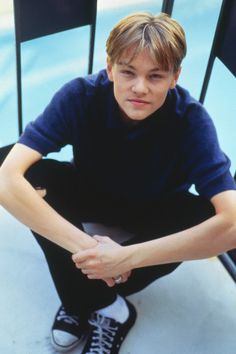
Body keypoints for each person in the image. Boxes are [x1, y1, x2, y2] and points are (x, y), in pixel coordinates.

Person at [0, 11, 236, 354]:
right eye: (128, 72)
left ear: (175, 77)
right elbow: (7, 177)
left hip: (153, 211)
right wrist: (87, 249)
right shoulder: (82, 95)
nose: (140, 88)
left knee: (206, 215)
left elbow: (231, 223)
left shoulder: (191, 121)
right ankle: (109, 308)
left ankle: (81, 300)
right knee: (13, 163)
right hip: (92, 192)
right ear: (110, 68)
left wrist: (126, 257)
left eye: (155, 76)